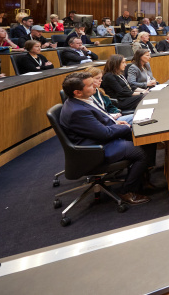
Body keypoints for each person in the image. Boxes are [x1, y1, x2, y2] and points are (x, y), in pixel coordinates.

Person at [59, 71, 154, 205]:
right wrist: (124, 127)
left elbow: (100, 119)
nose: (95, 86)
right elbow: (104, 134)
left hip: (100, 138)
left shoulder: (83, 100)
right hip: (95, 149)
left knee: (146, 139)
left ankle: (143, 180)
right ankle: (127, 191)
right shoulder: (77, 111)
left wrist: (116, 123)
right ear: (77, 92)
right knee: (141, 152)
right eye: (90, 85)